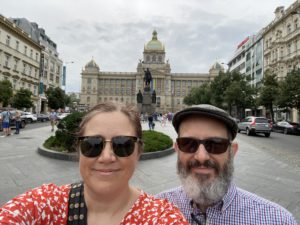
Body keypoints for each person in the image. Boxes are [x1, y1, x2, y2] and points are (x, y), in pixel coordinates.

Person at [0, 102, 188, 224]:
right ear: (78, 149)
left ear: (139, 151)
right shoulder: (43, 205)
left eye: (123, 144)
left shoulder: (161, 217)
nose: (107, 157)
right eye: (92, 144)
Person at [156, 104, 297, 224]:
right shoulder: (156, 210)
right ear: (177, 150)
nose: (201, 157)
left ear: (232, 151)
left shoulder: (277, 220)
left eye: (215, 144)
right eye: (188, 144)